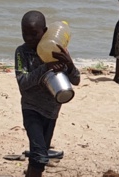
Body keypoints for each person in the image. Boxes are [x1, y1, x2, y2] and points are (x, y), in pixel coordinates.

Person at [15, 11, 80, 177]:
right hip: (31, 109)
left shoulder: (56, 50)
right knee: (40, 157)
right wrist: (45, 67)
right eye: (25, 34)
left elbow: (76, 80)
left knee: (38, 157)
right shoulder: (22, 53)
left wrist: (69, 64)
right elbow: (23, 82)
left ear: (44, 31)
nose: (29, 38)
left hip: (51, 112)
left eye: (34, 34)